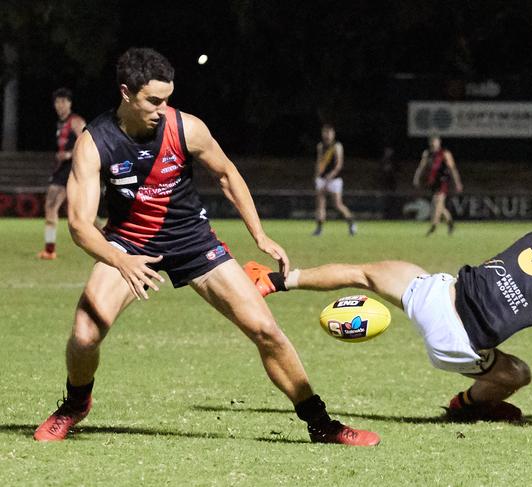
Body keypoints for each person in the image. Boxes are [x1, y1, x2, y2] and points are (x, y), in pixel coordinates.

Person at [33, 48, 379, 447]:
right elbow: (79, 224)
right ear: (126, 93)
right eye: (154, 100)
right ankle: (75, 404)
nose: (163, 109)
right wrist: (119, 259)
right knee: (84, 334)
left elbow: (227, 175)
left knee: (267, 330)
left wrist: (260, 235)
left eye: (168, 98)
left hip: (192, 241)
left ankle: (322, 424)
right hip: (128, 243)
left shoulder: (187, 128)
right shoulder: (95, 143)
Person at [245, 221, 532, 429]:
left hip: (441, 293)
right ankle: (465, 405)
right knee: (518, 374)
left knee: (362, 272)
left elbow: (530, 278)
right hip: (456, 339)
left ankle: (274, 280)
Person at [37, 88, 86, 259]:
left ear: (70, 104)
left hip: (72, 169)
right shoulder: (59, 124)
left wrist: (69, 154)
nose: (60, 105)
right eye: (57, 102)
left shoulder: (76, 122)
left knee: (82, 214)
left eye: (64, 101)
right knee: (53, 207)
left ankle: (111, 242)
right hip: (61, 169)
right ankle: (49, 250)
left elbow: (86, 143)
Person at [413, 135, 462, 235]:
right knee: (440, 206)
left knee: (436, 202)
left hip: (443, 182)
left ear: (439, 143)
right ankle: (450, 224)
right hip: (433, 182)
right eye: (431, 142)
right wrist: (416, 178)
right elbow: (421, 167)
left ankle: (433, 226)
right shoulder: (427, 154)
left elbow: (453, 169)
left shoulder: (445, 153)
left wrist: (457, 182)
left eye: (435, 142)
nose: (433, 144)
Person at [313, 124, 357, 236]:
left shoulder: (337, 146)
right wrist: (317, 176)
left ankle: (351, 223)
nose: (327, 135)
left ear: (333, 134)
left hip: (334, 180)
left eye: (329, 132)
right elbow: (318, 162)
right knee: (320, 204)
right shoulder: (320, 146)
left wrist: (330, 176)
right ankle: (319, 229)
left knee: (337, 204)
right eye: (325, 132)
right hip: (322, 179)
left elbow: (339, 165)